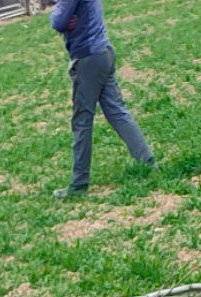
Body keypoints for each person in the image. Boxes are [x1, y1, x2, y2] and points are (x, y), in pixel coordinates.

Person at [49, 0, 153, 198]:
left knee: (82, 122)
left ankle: (78, 185)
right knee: (117, 112)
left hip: (88, 57)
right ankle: (148, 162)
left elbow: (58, 21)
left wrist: (61, 19)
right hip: (103, 51)